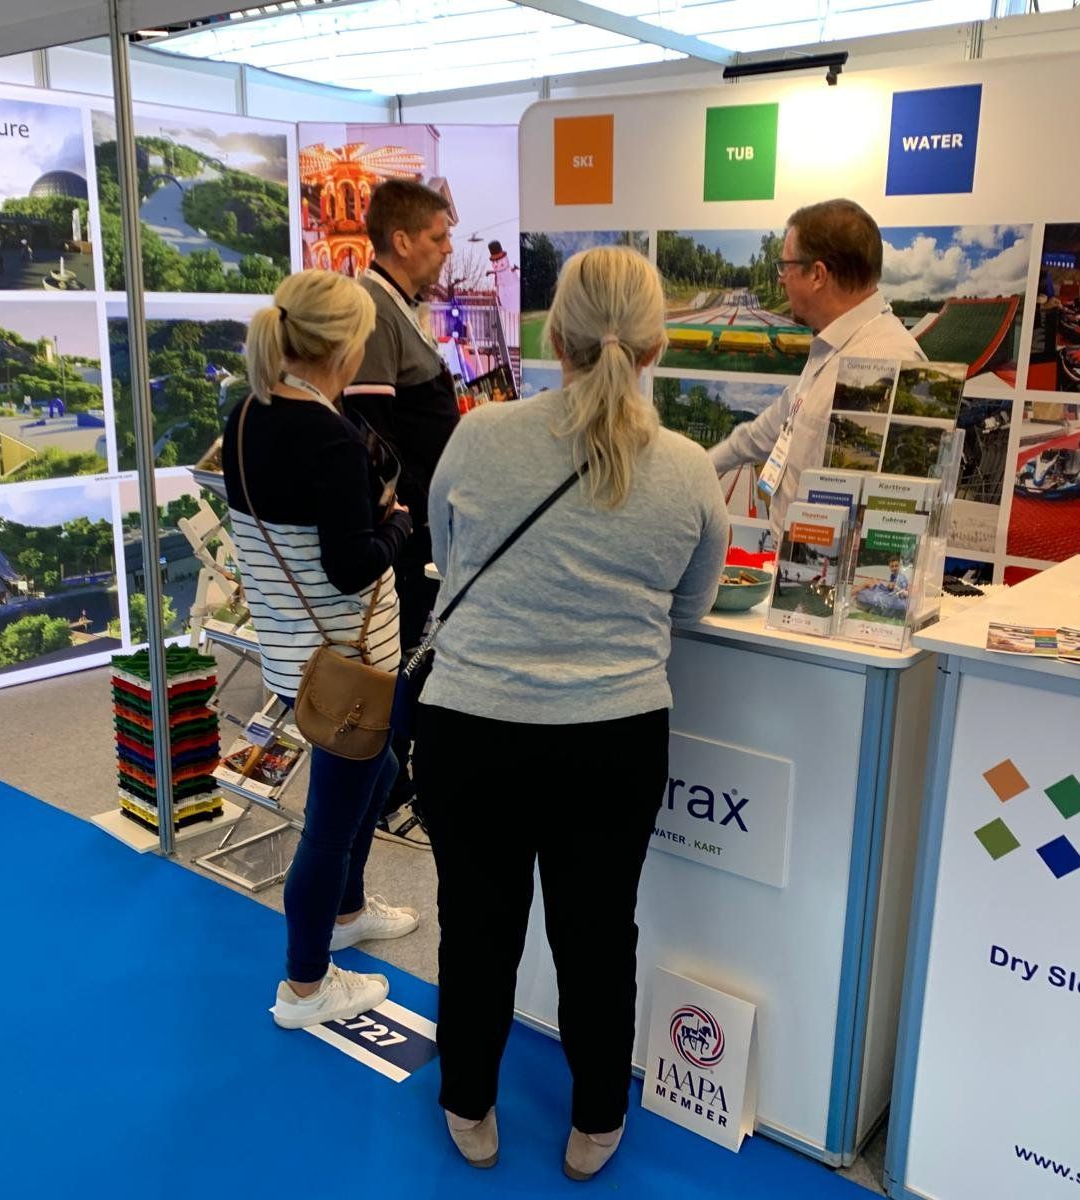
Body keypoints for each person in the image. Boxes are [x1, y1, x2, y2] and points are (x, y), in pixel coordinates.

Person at [416, 245, 728, 1179]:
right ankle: (597, 1117)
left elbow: (447, 555)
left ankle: (468, 1100)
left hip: (471, 726)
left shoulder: (481, 436)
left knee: (476, 926)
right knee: (597, 936)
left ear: (556, 337)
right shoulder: (686, 469)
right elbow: (691, 604)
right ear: (656, 346)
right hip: (614, 738)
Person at [220, 270, 421, 1030]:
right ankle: (305, 985)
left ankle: (347, 912)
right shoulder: (330, 439)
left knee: (380, 773)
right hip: (348, 661)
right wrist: (398, 526)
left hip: (295, 652)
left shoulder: (247, 413)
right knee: (331, 822)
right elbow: (351, 565)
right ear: (344, 346)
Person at [341, 178, 455, 849]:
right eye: (438, 238)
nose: (447, 250)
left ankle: (399, 782)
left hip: (424, 525)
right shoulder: (374, 309)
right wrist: (412, 515)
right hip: (408, 535)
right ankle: (389, 789)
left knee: (419, 655)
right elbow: (371, 432)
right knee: (406, 657)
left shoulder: (400, 306)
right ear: (403, 240)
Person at [707, 199, 923, 543]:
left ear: (818, 275)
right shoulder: (832, 347)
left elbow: (879, 524)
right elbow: (769, 429)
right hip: (796, 563)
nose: (781, 280)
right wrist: (700, 467)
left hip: (821, 572)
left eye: (785, 266)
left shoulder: (885, 362)